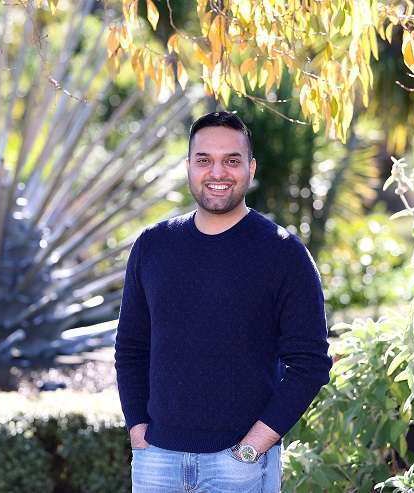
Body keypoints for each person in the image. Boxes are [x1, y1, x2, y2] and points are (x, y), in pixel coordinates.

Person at [113, 111, 333, 492]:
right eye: (204, 160)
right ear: (188, 167)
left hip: (238, 467)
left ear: (250, 168)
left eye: (231, 161)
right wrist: (139, 434)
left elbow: (310, 364)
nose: (218, 172)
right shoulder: (152, 246)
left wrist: (251, 450)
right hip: (157, 464)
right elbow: (131, 348)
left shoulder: (283, 253)